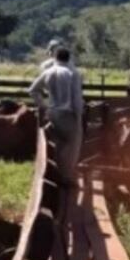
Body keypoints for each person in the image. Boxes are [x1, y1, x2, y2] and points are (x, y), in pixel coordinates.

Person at [28, 47, 84, 184]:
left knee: (59, 143)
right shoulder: (72, 73)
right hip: (67, 113)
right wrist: (79, 116)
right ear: (68, 58)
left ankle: (59, 173)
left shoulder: (48, 72)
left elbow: (33, 90)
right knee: (72, 145)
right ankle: (66, 176)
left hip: (53, 113)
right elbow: (76, 97)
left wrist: (43, 105)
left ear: (55, 58)